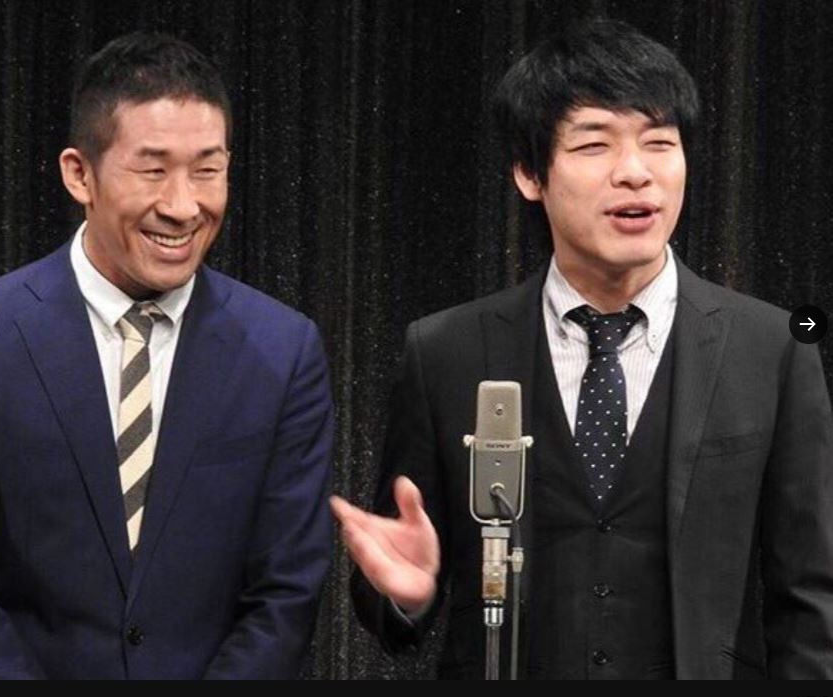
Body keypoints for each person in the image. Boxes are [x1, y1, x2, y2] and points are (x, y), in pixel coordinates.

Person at [331, 18, 833, 679]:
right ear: (528, 173)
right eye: (595, 145)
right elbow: (394, 583)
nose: (635, 173)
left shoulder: (770, 349)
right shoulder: (446, 351)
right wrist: (405, 594)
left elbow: (812, 599)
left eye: (659, 142)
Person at [0, 32, 334, 679]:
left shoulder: (283, 349)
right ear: (80, 174)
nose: (183, 206)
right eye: (153, 170)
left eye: (207, 170)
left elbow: (287, 591)